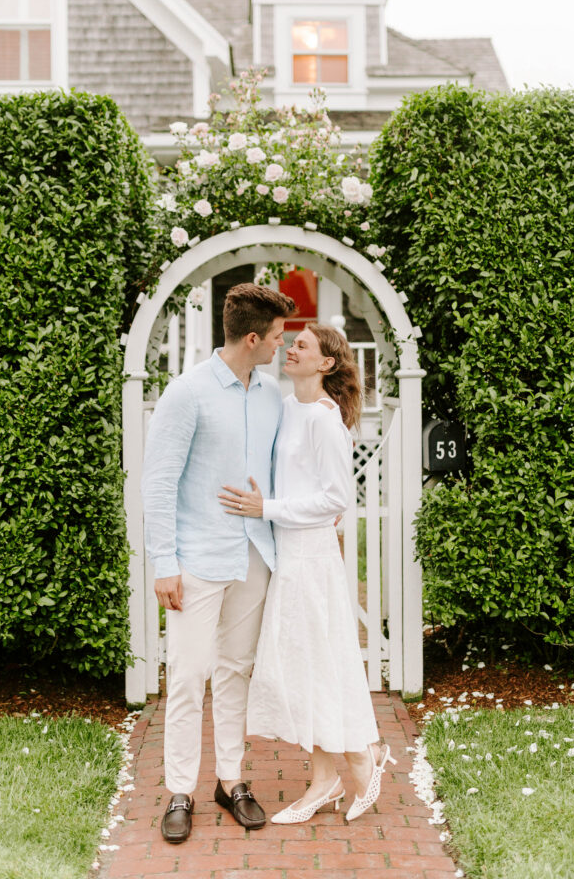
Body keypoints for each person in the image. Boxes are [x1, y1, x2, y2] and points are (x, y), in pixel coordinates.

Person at [218, 323, 395, 824]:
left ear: (326, 364)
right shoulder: (286, 407)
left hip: (312, 557)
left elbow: (338, 498)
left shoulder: (324, 419)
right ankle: (328, 776)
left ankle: (360, 758)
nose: (290, 349)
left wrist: (265, 508)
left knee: (320, 661)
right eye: (291, 343)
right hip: (287, 553)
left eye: (302, 346)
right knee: (302, 666)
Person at [141, 283, 295, 844]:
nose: (282, 344)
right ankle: (180, 789)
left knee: (237, 673)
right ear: (252, 338)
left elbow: (282, 469)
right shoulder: (187, 394)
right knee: (187, 675)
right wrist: (164, 562)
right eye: (277, 337)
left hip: (255, 555)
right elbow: (157, 483)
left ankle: (230, 782)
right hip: (198, 557)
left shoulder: (273, 394)